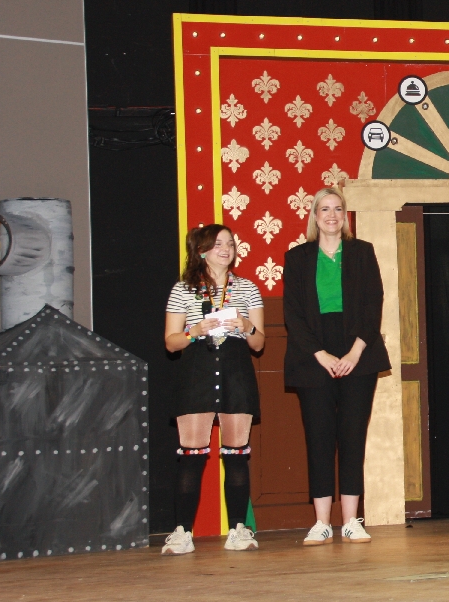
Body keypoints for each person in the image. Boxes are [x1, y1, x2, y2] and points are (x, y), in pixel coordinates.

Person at [284, 187, 391, 544]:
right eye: (324, 209)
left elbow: (373, 306)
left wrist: (354, 354)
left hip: (358, 355)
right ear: (314, 216)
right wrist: (321, 355)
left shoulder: (362, 252)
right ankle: (321, 522)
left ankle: (350, 521)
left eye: (338, 209)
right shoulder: (297, 257)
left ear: (345, 215)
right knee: (318, 438)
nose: (332, 215)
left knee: (352, 437)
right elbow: (293, 315)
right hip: (312, 358)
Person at [162, 224, 266, 554]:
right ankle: (182, 532)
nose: (226, 249)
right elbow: (171, 343)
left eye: (230, 244)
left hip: (236, 371)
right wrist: (194, 330)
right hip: (197, 371)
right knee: (191, 457)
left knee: (236, 456)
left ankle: (239, 530)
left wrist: (246, 326)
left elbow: (259, 343)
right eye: (218, 244)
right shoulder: (183, 289)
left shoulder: (247, 288)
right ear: (201, 250)